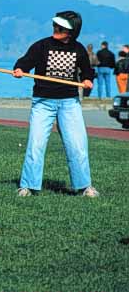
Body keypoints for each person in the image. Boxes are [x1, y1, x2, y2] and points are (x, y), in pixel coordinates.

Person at [13, 10, 99, 198]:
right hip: (42, 102)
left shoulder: (79, 49)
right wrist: (19, 69)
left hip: (69, 103)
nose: (55, 28)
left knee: (77, 145)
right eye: (55, 25)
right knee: (36, 144)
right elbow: (26, 61)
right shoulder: (42, 46)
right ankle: (28, 186)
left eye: (60, 27)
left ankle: (84, 186)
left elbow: (87, 71)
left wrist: (87, 81)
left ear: (71, 31)